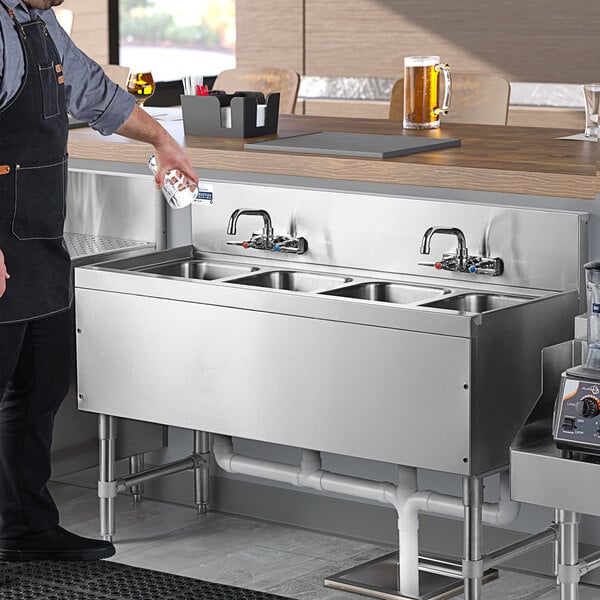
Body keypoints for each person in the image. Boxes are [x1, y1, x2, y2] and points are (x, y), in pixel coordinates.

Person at [0, 0, 197, 560]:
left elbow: (94, 92)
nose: (64, 0)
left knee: (41, 385)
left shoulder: (33, 23)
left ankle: (26, 529)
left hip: (38, 236)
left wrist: (162, 141)